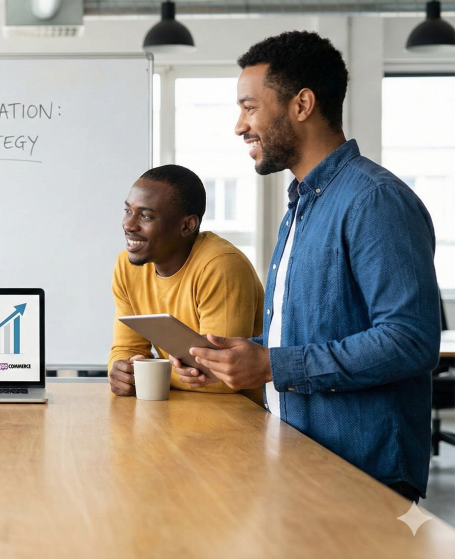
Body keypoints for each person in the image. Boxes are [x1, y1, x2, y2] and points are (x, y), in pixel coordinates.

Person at [179, 31, 439, 502]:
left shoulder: (374, 200)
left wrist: (271, 364)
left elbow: (411, 340)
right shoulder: (302, 205)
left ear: (302, 105)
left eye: (250, 107)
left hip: (362, 477)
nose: (240, 126)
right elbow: (310, 334)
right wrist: (238, 357)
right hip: (303, 461)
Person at [108, 165, 264, 404]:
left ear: (187, 226)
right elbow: (125, 350)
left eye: (146, 216)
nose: (129, 225)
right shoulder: (127, 266)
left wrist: (146, 375)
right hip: (178, 410)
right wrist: (122, 371)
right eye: (128, 210)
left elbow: (220, 377)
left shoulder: (221, 265)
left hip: (241, 417)